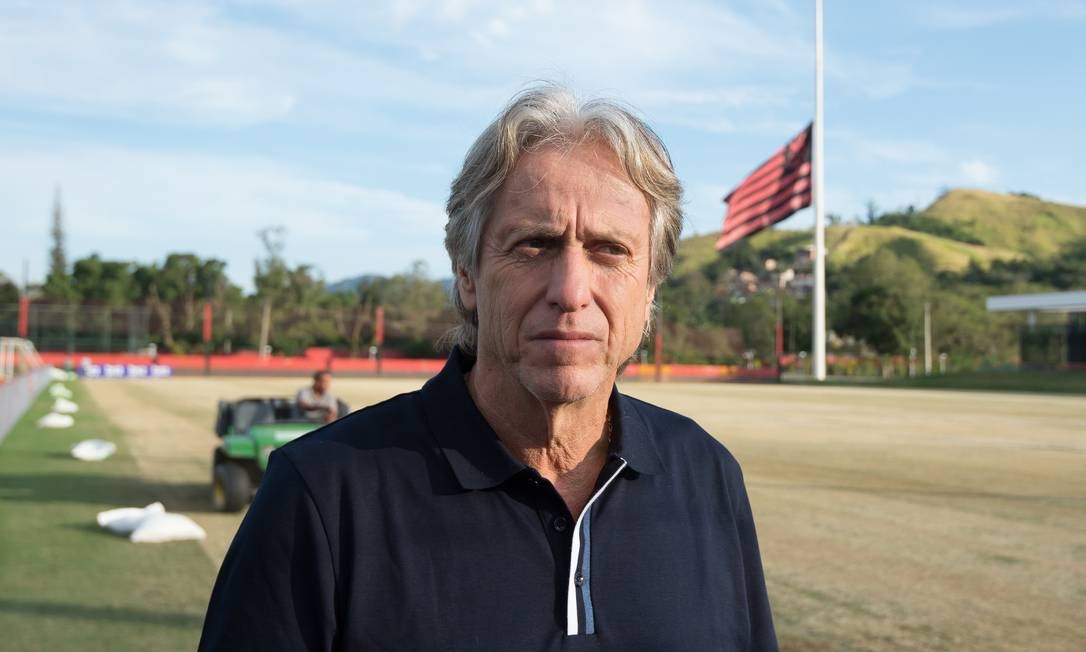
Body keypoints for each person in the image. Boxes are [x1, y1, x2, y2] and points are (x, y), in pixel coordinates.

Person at [200, 84, 778, 651]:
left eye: (610, 250)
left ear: (649, 288)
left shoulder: (709, 476)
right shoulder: (321, 494)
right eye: (534, 245)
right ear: (467, 274)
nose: (571, 291)